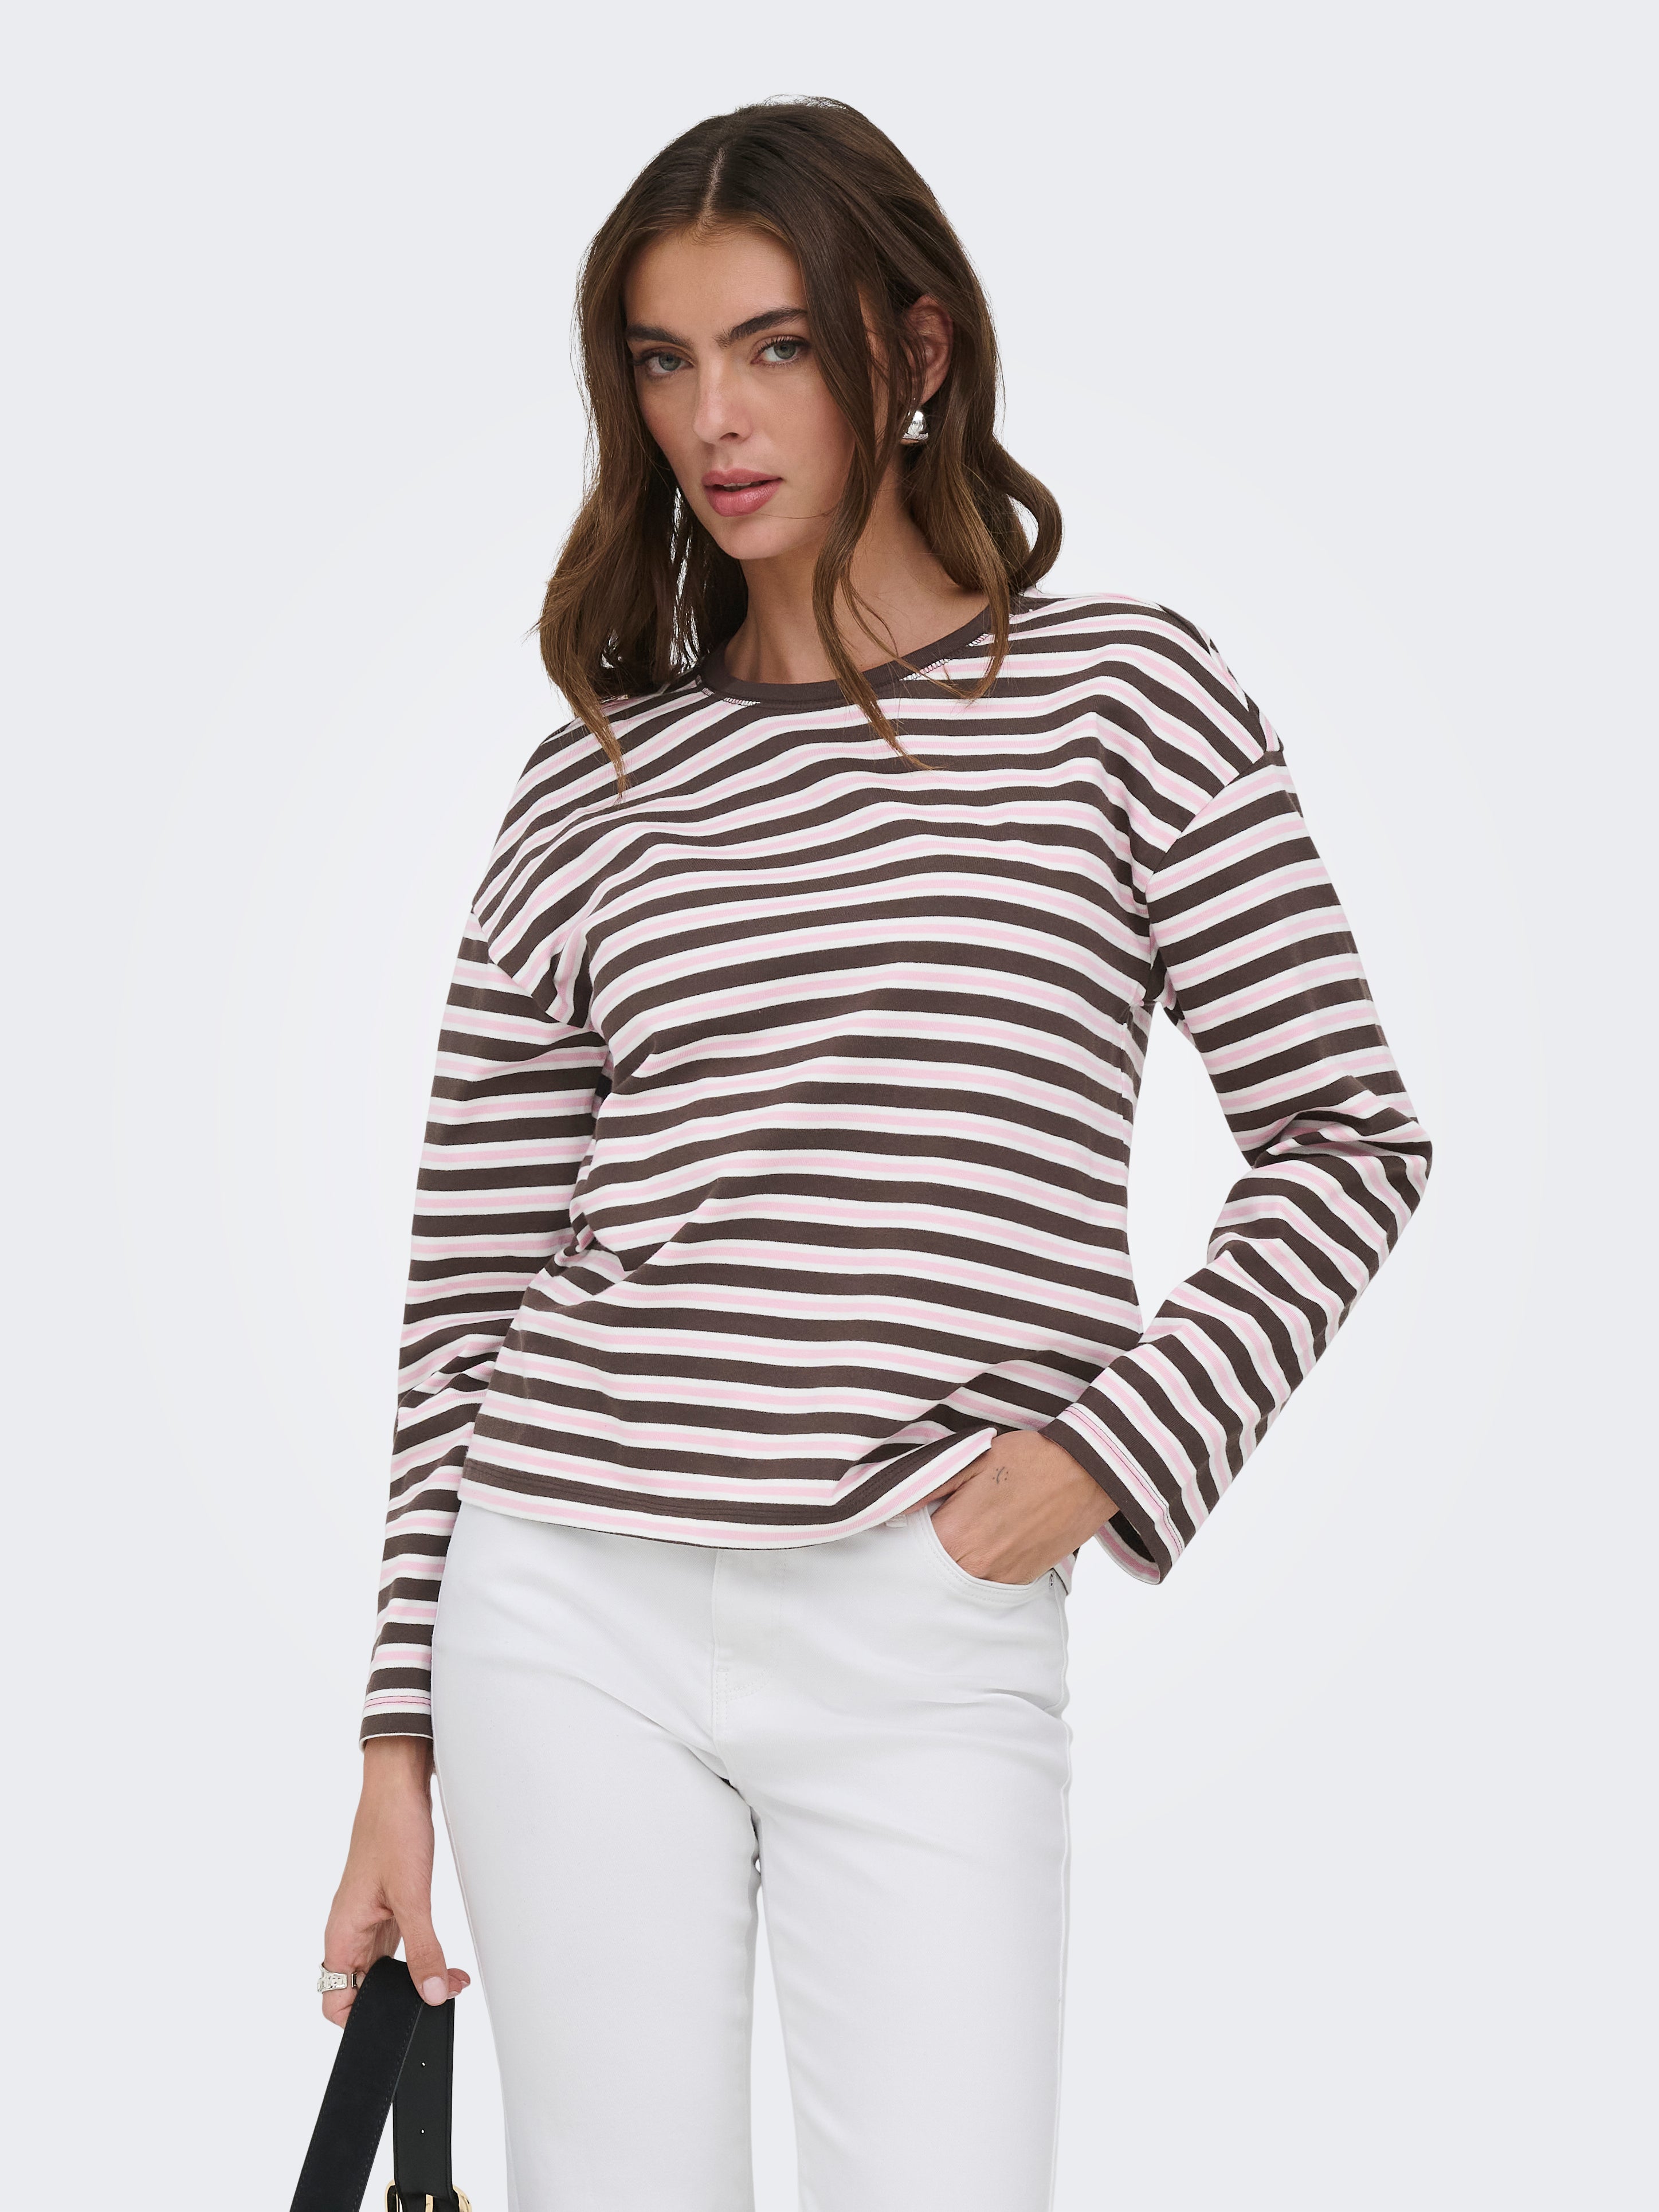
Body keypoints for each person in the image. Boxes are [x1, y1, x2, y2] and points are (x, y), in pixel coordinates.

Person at [320, 96, 1431, 2212]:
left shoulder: (1123, 696)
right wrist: (395, 1741)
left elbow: (1346, 1132)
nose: (716, 419)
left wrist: (1100, 1457)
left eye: (776, 346)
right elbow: (464, 1296)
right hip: (565, 1603)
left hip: (925, 1609)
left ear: (911, 352)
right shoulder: (592, 787)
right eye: (666, 361)